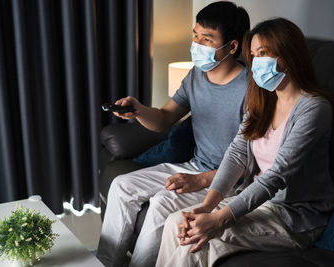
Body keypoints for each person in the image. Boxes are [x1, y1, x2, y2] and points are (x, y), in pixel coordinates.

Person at [156, 17, 334, 267]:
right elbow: (237, 153)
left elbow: (276, 175)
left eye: (263, 53)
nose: (256, 63)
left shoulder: (314, 108)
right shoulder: (263, 100)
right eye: (253, 55)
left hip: (292, 217)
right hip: (256, 202)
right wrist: (208, 205)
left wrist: (220, 219)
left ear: (289, 53)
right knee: (177, 221)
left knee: (198, 242)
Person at [96, 2, 250, 267]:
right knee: (122, 185)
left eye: (207, 38)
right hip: (194, 165)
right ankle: (104, 263)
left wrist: (201, 180)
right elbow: (166, 118)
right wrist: (139, 111)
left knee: (160, 203)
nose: (197, 44)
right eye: (195, 35)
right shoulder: (196, 76)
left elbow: (253, 160)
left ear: (232, 47)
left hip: (227, 181)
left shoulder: (251, 90)